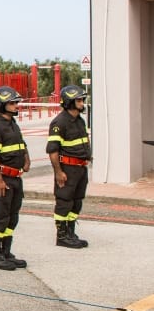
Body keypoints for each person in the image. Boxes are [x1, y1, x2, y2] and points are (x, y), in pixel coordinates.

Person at [0, 86, 31, 270]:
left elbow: (21, 144)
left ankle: (6, 252)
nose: (15, 105)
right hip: (2, 180)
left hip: (15, 179)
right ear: (1, 105)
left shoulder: (12, 124)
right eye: (11, 103)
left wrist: (26, 160)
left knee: (12, 218)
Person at [47, 85, 91, 248]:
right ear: (70, 102)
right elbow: (52, 151)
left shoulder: (80, 120)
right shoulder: (59, 122)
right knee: (64, 201)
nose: (82, 103)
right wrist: (59, 172)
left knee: (76, 201)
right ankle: (62, 236)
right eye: (79, 100)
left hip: (80, 168)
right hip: (67, 169)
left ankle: (71, 232)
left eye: (82, 100)